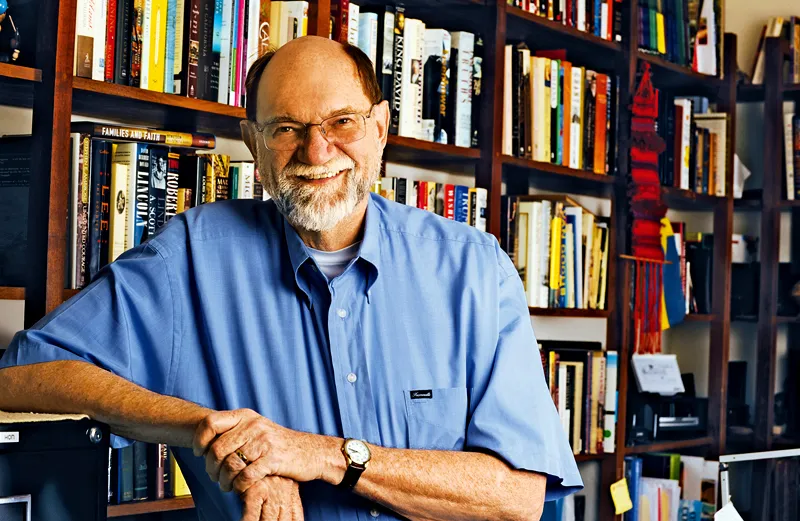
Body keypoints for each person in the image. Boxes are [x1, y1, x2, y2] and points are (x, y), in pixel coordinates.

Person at [0, 36, 581, 520]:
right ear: (254, 143)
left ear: (381, 128)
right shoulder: (188, 259)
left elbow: (518, 498)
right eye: (285, 128)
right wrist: (216, 433)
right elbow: (20, 377)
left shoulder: (474, 268)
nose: (316, 149)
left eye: (342, 122)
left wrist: (321, 457)